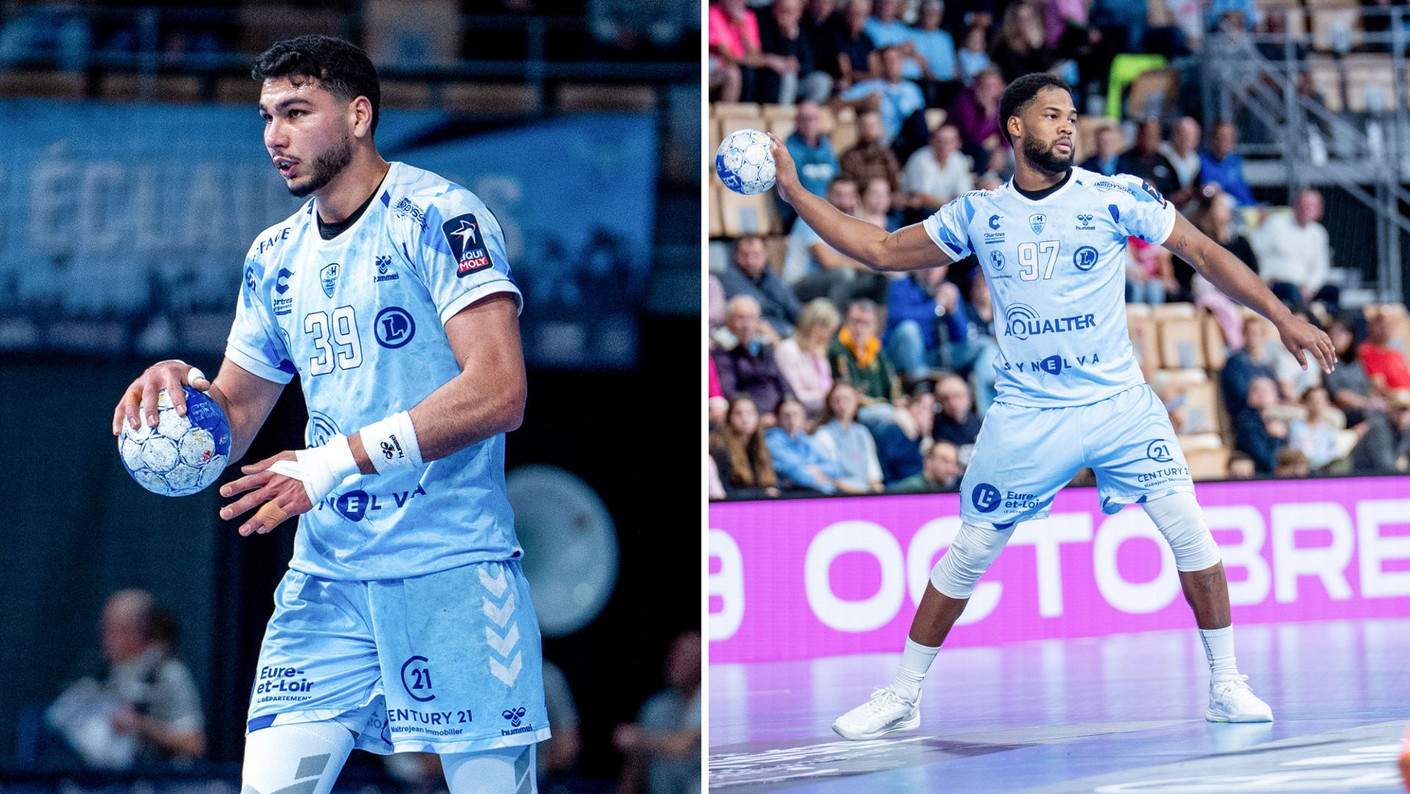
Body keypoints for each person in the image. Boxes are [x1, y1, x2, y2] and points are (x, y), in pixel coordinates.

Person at [768, 71, 1335, 741]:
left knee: (1191, 531)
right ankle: (902, 694)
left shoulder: (1117, 196)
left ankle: (1227, 683)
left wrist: (1280, 315)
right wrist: (795, 190)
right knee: (969, 553)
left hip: (1121, 403)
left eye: (1071, 115)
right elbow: (878, 248)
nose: (1067, 125)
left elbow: (1204, 251)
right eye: (1051, 116)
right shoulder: (978, 213)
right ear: (1015, 128)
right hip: (1029, 413)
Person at [110, 37, 548, 793]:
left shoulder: (438, 216)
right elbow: (235, 416)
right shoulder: (274, 255)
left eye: (296, 112)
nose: (274, 136)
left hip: (449, 571)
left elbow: (500, 392)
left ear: (357, 114)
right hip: (328, 581)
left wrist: (333, 461)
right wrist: (181, 400)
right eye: (266, 116)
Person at [45, 590, 205, 769]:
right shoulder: (97, 673)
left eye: (113, 627)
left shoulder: (168, 674)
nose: (104, 636)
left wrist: (139, 724)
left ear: (138, 631)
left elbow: (194, 744)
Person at [613, 631, 701, 794]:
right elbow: (635, 765)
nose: (676, 663)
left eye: (686, 657)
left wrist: (637, 738)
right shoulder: (656, 707)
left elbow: (681, 744)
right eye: (675, 655)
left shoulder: (707, 699)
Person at [1250, 189, 1336, 314]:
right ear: (1294, 206)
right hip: (1276, 283)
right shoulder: (1276, 223)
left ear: (1319, 210)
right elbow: (1253, 251)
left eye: (1312, 206)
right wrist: (1263, 276)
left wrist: (1309, 287)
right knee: (1290, 290)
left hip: (1304, 288)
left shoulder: (1319, 233)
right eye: (1304, 204)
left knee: (1333, 292)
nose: (1307, 209)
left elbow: (1320, 267)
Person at [712, 295, 796, 420]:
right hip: (751, 419)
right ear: (727, 321)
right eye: (740, 318)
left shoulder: (765, 348)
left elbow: (783, 384)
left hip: (780, 416)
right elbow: (730, 392)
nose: (746, 324)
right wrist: (758, 416)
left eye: (751, 318)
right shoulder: (723, 353)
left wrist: (793, 407)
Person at [828, 297, 903, 426]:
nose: (859, 328)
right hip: (857, 410)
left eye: (866, 323)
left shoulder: (876, 350)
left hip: (883, 408)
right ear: (847, 322)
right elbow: (847, 386)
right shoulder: (838, 349)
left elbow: (891, 382)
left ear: (875, 327)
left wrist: (898, 402)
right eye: (856, 322)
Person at [719, 234, 802, 340]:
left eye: (755, 255)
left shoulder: (772, 278)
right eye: (744, 255)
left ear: (765, 255)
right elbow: (756, 310)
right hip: (757, 335)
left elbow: (795, 310)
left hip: (788, 332)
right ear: (736, 256)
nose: (750, 261)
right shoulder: (730, 278)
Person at [766, 396, 852, 493]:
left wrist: (817, 469)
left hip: (819, 493)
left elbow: (835, 468)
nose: (791, 419)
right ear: (777, 418)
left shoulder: (807, 440)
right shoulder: (772, 442)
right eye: (786, 415)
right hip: (792, 497)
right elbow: (799, 475)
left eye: (796, 414)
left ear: (803, 416)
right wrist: (826, 480)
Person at [813, 383, 886, 492]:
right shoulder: (823, 434)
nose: (842, 405)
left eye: (847, 399)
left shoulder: (863, 432)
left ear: (856, 402)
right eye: (836, 400)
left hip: (864, 491)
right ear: (830, 405)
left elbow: (873, 474)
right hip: (838, 494)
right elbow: (829, 476)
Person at [774, 298, 841, 416]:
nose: (827, 337)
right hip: (801, 415)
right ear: (810, 326)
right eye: (824, 330)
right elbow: (793, 394)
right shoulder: (788, 350)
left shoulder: (819, 353)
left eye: (831, 332)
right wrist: (826, 397)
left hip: (824, 413)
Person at [783, 100, 841, 227]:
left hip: (831, 209)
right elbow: (792, 187)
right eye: (805, 119)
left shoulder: (827, 147)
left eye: (813, 119)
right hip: (800, 214)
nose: (809, 124)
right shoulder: (787, 149)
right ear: (796, 121)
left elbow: (836, 177)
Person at [709, 396, 781, 498]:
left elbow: (770, 482)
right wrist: (763, 494)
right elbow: (726, 492)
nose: (745, 418)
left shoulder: (761, 445)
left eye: (750, 413)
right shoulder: (719, 447)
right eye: (738, 413)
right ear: (729, 418)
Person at [902, 124, 976, 217]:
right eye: (939, 141)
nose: (944, 146)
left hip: (947, 210)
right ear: (931, 141)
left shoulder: (959, 160)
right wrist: (947, 205)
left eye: (950, 142)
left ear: (958, 144)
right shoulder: (920, 159)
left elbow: (963, 194)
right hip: (921, 212)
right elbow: (921, 196)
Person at [840, 110, 904, 193]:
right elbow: (848, 185)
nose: (868, 129)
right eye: (864, 125)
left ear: (880, 128)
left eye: (872, 125)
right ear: (858, 128)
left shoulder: (888, 154)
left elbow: (895, 181)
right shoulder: (849, 156)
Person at [1234, 376, 1289, 474]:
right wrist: (1275, 438)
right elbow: (1268, 462)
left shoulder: (1282, 419)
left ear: (1276, 395)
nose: (1261, 394)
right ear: (1249, 397)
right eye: (1256, 390)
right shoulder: (1246, 423)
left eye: (1265, 390)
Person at [1116, 118, 1179, 200]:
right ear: (1139, 136)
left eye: (1155, 136)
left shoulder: (1164, 161)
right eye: (1147, 135)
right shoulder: (1123, 160)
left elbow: (1175, 191)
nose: (1151, 140)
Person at [1200, 121, 1255, 207]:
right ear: (1211, 139)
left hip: (1245, 208)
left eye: (1229, 138)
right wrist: (1212, 190)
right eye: (1220, 137)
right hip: (1221, 210)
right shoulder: (1201, 161)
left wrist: (1255, 207)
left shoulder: (1236, 161)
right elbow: (1205, 191)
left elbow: (1243, 192)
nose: (1225, 142)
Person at [891, 439, 963, 492]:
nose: (950, 468)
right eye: (944, 461)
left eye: (954, 462)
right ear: (928, 461)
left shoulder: (957, 489)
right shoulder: (911, 488)